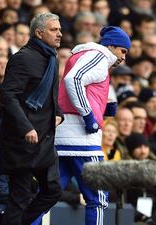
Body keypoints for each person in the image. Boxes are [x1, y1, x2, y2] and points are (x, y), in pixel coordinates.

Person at [55, 26, 130, 225]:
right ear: (111, 46)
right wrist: (88, 115)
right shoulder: (100, 56)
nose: (123, 57)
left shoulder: (86, 55)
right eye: (122, 51)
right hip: (82, 139)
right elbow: (75, 79)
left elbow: (83, 87)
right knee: (98, 199)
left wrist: (106, 105)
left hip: (63, 136)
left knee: (47, 195)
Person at [0, 12, 64, 225]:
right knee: (20, 197)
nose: (59, 34)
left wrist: (58, 115)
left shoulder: (51, 57)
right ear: (39, 32)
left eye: (59, 29)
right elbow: (7, 96)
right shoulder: (23, 58)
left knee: (53, 190)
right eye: (54, 30)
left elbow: (51, 96)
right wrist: (26, 127)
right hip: (22, 141)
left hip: (44, 139)